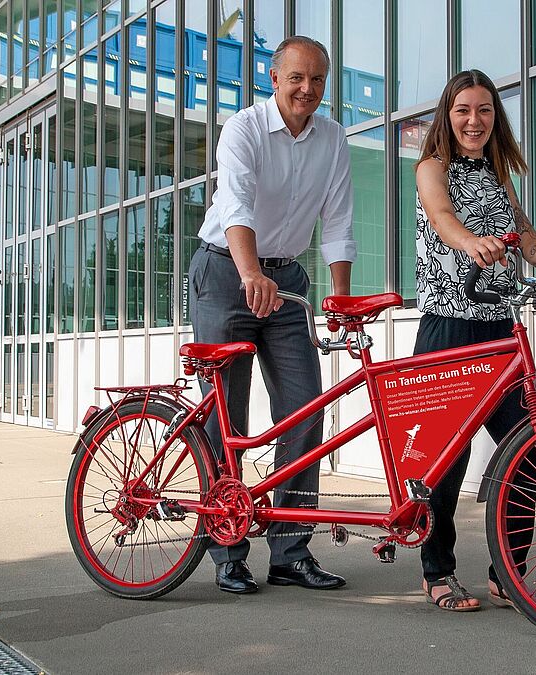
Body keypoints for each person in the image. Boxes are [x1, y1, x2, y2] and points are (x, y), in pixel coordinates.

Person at [413, 69, 536, 611]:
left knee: (526, 443)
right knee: (448, 457)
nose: (475, 120)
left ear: (496, 117)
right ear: (449, 115)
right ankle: (436, 570)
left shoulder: (497, 174)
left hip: (499, 324)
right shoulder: (431, 167)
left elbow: (526, 235)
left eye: (485, 110)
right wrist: (473, 243)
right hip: (448, 325)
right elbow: (443, 218)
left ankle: (507, 571)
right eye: (464, 109)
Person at [188, 36, 354, 595]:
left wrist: (341, 298)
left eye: (317, 81)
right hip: (224, 273)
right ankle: (226, 548)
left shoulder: (332, 139)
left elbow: (337, 221)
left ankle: (289, 550)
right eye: (296, 78)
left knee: (305, 410)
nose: (307, 89)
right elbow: (234, 201)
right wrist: (249, 272)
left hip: (286, 282)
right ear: (274, 78)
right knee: (224, 416)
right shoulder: (244, 128)